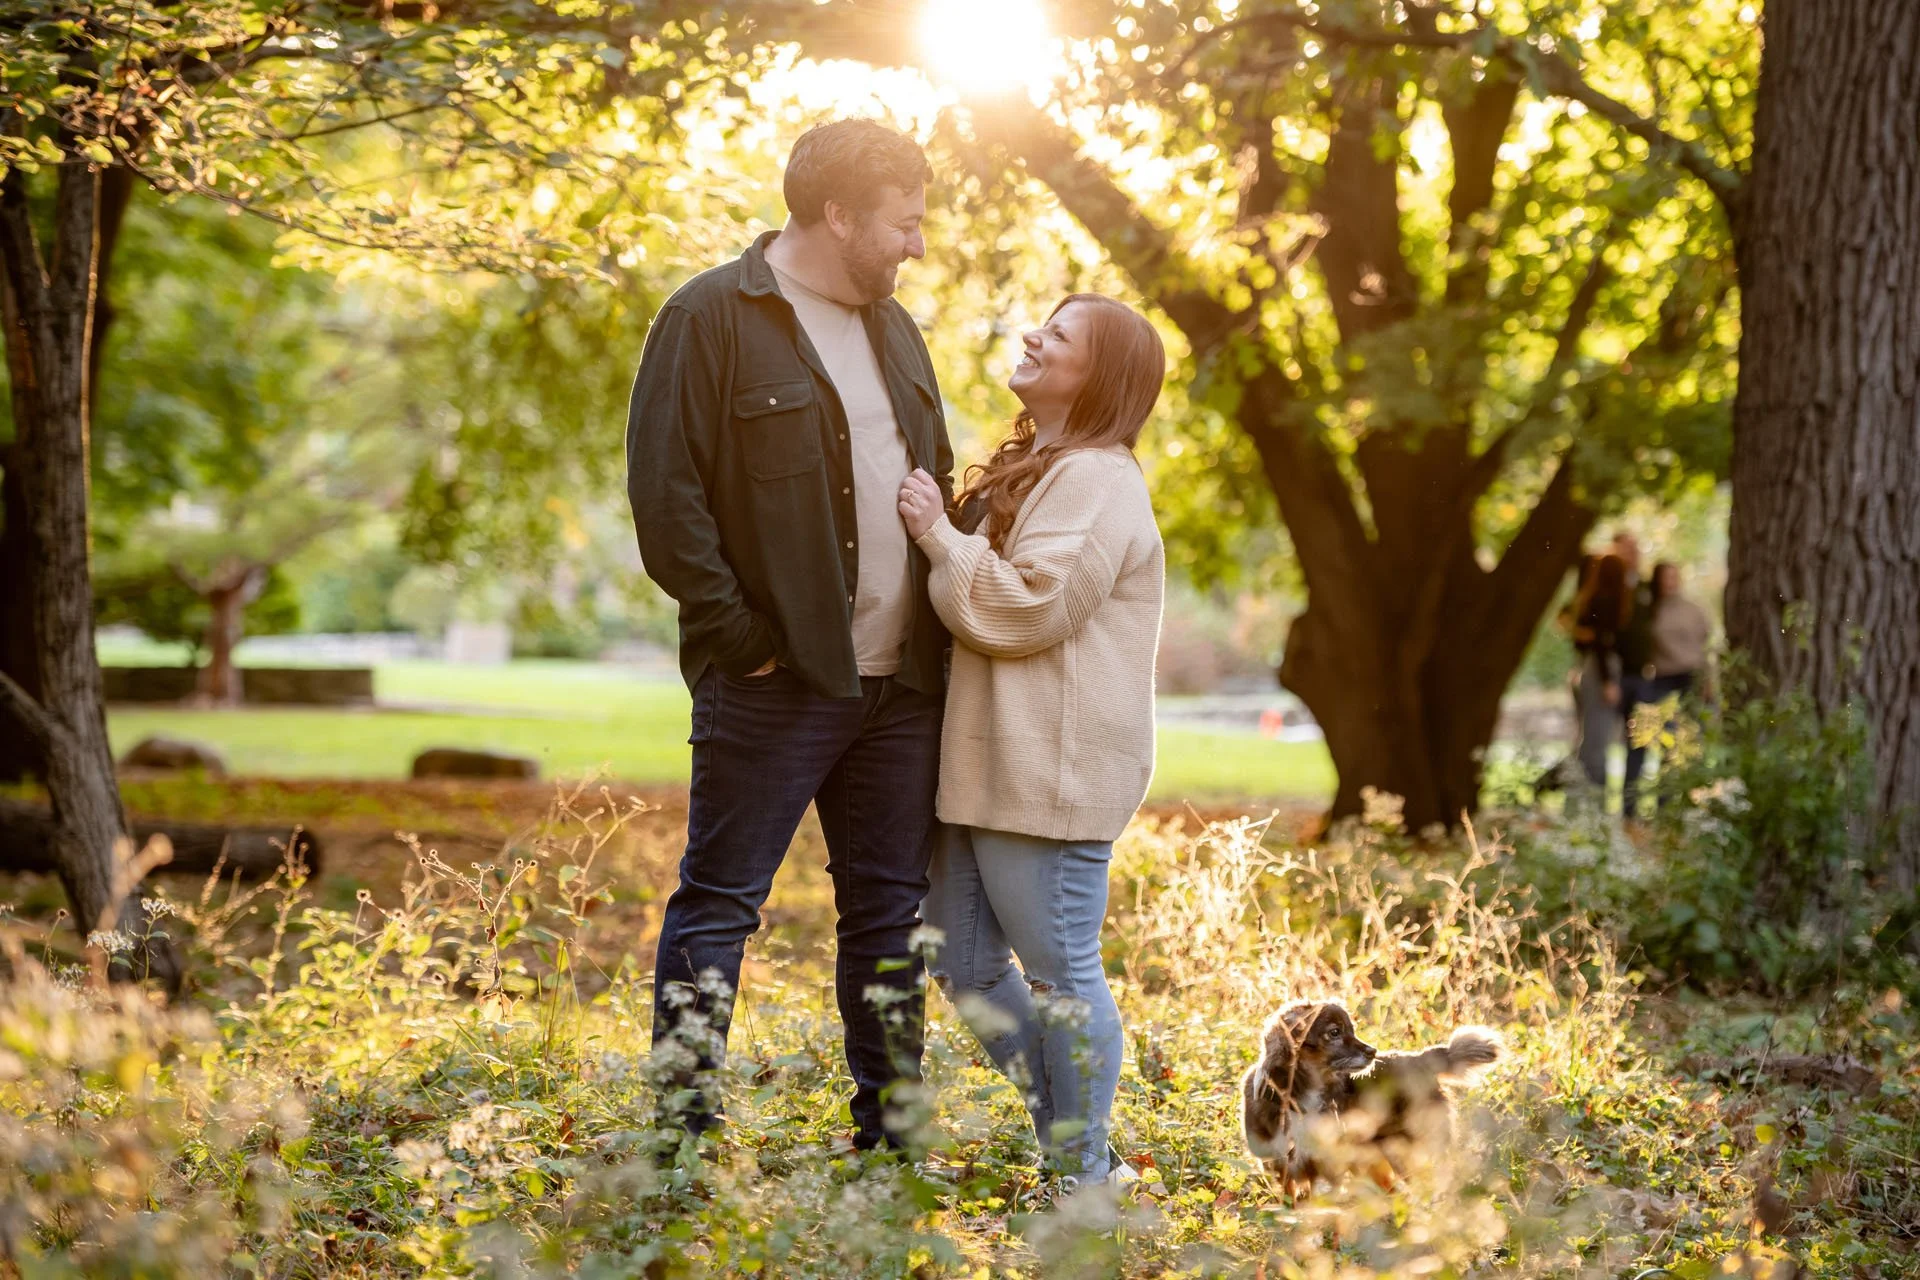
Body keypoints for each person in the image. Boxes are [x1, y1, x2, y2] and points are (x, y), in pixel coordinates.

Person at [625, 119, 955, 1152]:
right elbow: (665, 496)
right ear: (838, 212)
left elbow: (931, 475)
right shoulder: (708, 317)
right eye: (903, 223)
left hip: (900, 688)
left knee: (888, 915)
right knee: (720, 904)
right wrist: (743, 636)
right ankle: (681, 1135)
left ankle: (893, 1136)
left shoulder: (896, 329)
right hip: (774, 682)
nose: (916, 245)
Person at [896, 294, 1167, 1190]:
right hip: (989, 763)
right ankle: (1076, 1149)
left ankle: (1086, 1173)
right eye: (1041, 326)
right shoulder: (1050, 465)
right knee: (963, 960)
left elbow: (1024, 609)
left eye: (1059, 337)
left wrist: (937, 534)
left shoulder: (1098, 477)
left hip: (1052, 768)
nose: (1033, 338)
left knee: (1060, 974)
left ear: (1102, 379)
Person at [1622, 561, 1712, 815]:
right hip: (1660, 679)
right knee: (1646, 740)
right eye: (1666, 578)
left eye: (1675, 577)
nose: (1671, 582)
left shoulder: (1694, 611)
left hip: (1690, 679)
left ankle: (1673, 809)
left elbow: (1705, 648)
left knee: (1684, 745)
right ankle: (1631, 809)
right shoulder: (1647, 611)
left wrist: (1708, 681)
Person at [1569, 552, 1632, 806]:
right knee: (1597, 739)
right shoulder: (1606, 601)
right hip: (1601, 672)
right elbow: (1602, 643)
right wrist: (1608, 681)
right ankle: (1590, 802)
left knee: (1593, 737)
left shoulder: (1589, 599)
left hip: (1592, 669)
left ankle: (1585, 799)